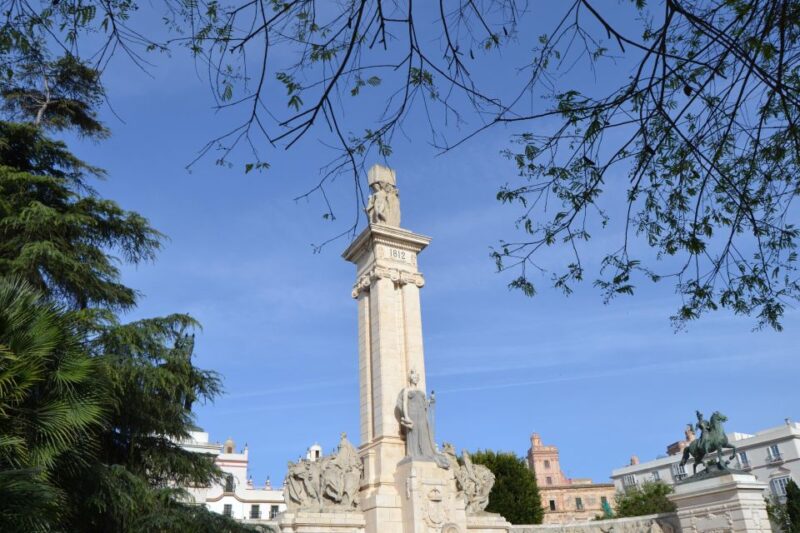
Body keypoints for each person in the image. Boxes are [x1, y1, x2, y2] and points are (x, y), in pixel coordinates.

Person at [396, 369, 449, 468]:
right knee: (413, 433)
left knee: (423, 433)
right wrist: (406, 416)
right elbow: (404, 404)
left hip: (421, 414)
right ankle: (413, 453)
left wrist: (431, 401)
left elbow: (425, 405)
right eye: (414, 377)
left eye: (417, 378)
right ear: (410, 379)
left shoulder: (421, 391)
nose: (415, 379)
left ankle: (423, 452)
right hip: (412, 414)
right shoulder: (407, 390)